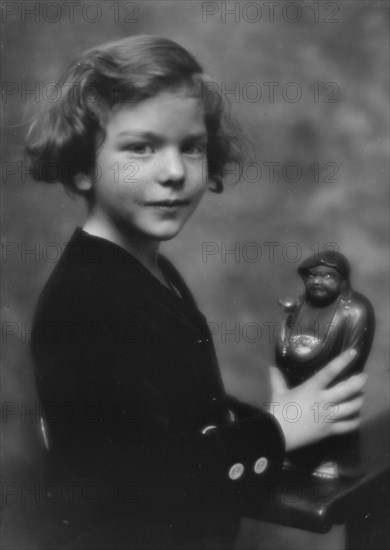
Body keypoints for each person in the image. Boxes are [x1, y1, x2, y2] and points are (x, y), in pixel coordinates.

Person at [26, 35, 367, 549]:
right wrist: (276, 433)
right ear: (80, 166)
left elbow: (180, 408)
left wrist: (279, 417)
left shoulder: (147, 271)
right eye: (141, 147)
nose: (175, 172)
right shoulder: (83, 299)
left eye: (191, 146)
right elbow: (147, 479)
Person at [275, 250, 375, 477]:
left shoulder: (356, 309)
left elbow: (353, 355)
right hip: (299, 379)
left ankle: (339, 463)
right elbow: (285, 349)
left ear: (342, 280)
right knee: (298, 421)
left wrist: (320, 384)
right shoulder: (300, 305)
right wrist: (288, 321)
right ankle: (300, 459)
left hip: (333, 385)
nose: (318, 281)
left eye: (327, 276)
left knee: (335, 421)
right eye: (312, 276)